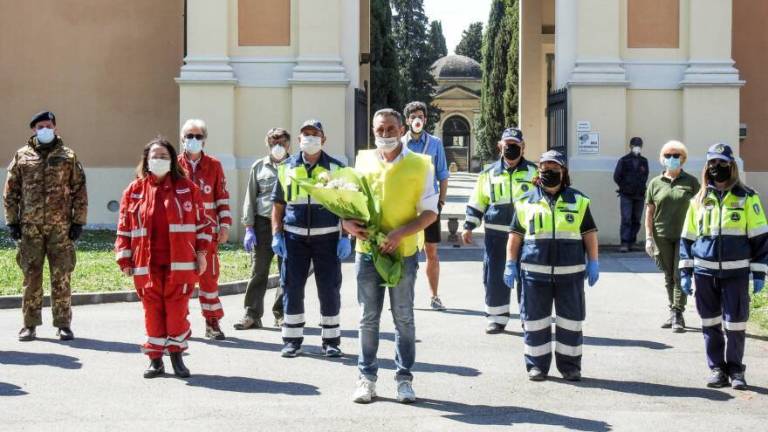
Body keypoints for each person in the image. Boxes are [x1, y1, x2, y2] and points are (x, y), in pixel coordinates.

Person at [344, 108, 437, 404]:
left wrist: (400, 234)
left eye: (391, 128)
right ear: (373, 131)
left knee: (404, 318)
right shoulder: (362, 161)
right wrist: (345, 223)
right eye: (380, 129)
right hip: (368, 252)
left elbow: (431, 212)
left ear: (402, 128)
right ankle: (366, 378)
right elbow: (347, 200)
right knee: (367, 319)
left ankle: (404, 379)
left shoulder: (421, 164)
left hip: (404, 252)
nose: (385, 134)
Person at [115, 137, 212, 378]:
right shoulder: (134, 191)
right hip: (145, 264)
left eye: (164, 156)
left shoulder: (188, 189)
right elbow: (124, 227)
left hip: (180, 263)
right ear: (146, 161)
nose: (159, 160)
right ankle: (155, 360)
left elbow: (203, 225)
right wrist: (124, 258)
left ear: (172, 160)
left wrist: (201, 254)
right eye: (155, 156)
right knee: (152, 311)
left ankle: (177, 357)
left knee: (177, 311)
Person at [679, 143, 768, 390]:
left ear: (732, 166)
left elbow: (760, 238)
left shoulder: (748, 198)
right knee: (710, 323)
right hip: (705, 272)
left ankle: (736, 370)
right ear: (707, 167)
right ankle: (717, 369)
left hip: (736, 273)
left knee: (736, 324)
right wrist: (685, 272)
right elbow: (687, 238)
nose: (717, 168)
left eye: (722, 163)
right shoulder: (698, 200)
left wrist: (759, 273)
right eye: (713, 163)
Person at [504, 150, 599, 382]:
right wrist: (510, 262)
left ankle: (570, 367)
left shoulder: (579, 200)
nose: (549, 172)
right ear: (539, 171)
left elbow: (589, 234)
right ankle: (536, 366)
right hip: (534, 274)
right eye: (545, 168)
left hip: (571, 275)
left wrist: (594, 261)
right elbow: (515, 236)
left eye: (554, 169)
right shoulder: (526, 202)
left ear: (563, 172)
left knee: (570, 322)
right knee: (535, 322)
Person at [4, 111, 88, 342]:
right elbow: (11, 191)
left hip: (60, 228)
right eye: (40, 126)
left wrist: (78, 222)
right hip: (30, 228)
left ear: (55, 127)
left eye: (48, 125)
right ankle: (29, 325)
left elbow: (79, 190)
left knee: (61, 276)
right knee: (31, 276)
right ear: (33, 129)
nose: (45, 129)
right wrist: (12, 221)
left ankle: (63, 324)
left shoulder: (68, 156)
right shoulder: (22, 156)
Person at [271, 119, 351, 358]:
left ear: (323, 139)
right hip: (294, 239)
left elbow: (347, 205)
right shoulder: (286, 167)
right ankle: (292, 341)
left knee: (329, 289)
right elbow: (277, 205)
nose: (310, 138)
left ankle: (331, 341)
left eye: (315, 134)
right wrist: (277, 234)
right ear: (298, 140)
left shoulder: (336, 168)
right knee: (292, 287)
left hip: (327, 239)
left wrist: (345, 236)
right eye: (305, 134)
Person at [462, 127, 538, 334]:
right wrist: (469, 225)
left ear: (523, 147)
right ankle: (496, 318)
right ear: (500, 147)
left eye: (515, 145)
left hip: (526, 236)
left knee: (528, 278)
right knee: (494, 276)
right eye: (507, 145)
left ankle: (529, 319)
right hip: (496, 236)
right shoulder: (488, 174)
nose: (511, 149)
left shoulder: (534, 173)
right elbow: (478, 201)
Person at [177, 119, 231, 340]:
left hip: (207, 233)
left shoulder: (214, 165)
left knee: (209, 279)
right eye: (189, 136)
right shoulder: (174, 164)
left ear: (204, 140)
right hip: (181, 233)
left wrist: (225, 224)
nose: (193, 140)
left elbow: (221, 197)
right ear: (182, 139)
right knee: (182, 280)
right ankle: (180, 324)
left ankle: (212, 322)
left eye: (198, 136)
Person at [644, 140, 699, 332]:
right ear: (662, 158)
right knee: (668, 275)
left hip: (685, 237)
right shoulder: (655, 183)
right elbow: (649, 213)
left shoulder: (691, 182)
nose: (672, 159)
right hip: (661, 235)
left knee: (679, 273)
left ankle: (678, 312)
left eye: (676, 155)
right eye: (668, 155)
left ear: (683, 159)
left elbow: (700, 209)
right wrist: (649, 237)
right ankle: (673, 310)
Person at [237, 128, 289, 330]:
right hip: (262, 223)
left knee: (287, 271)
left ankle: (282, 314)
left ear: (288, 144)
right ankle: (252, 314)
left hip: (287, 225)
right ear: (267, 144)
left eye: (282, 142)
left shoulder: (296, 165)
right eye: (273, 142)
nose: (278, 146)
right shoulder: (259, 167)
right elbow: (250, 198)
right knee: (259, 271)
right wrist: (249, 227)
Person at [402, 101, 450, 310]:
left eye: (420, 116)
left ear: (425, 120)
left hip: (429, 205)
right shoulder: (399, 143)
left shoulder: (435, 143)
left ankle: (434, 295)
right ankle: (401, 296)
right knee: (402, 250)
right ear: (407, 120)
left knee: (431, 251)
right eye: (413, 117)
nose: (417, 120)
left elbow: (443, 174)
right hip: (405, 205)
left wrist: (440, 202)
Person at [613, 137, 649, 252]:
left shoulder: (644, 161)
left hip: (639, 194)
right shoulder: (624, 160)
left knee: (636, 219)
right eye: (635, 145)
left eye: (639, 145)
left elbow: (645, 176)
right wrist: (624, 186)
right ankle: (624, 243)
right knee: (626, 219)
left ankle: (632, 242)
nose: (637, 148)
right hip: (626, 195)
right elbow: (616, 176)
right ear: (631, 146)